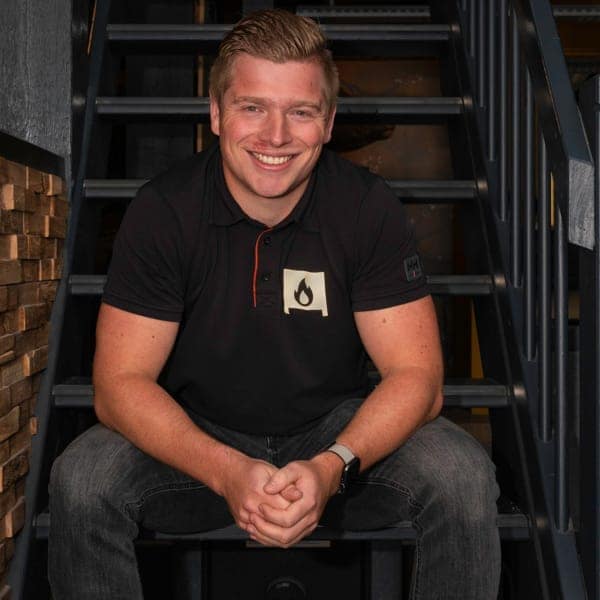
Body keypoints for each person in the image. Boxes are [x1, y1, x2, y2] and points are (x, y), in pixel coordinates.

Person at [48, 9, 501, 599]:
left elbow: (417, 377)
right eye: (253, 107)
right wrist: (228, 471)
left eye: (301, 111)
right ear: (217, 113)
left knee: (462, 474)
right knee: (82, 479)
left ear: (328, 122)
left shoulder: (365, 208)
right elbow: (118, 385)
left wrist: (332, 466)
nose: (276, 136)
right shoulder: (164, 211)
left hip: (332, 437)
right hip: (199, 440)